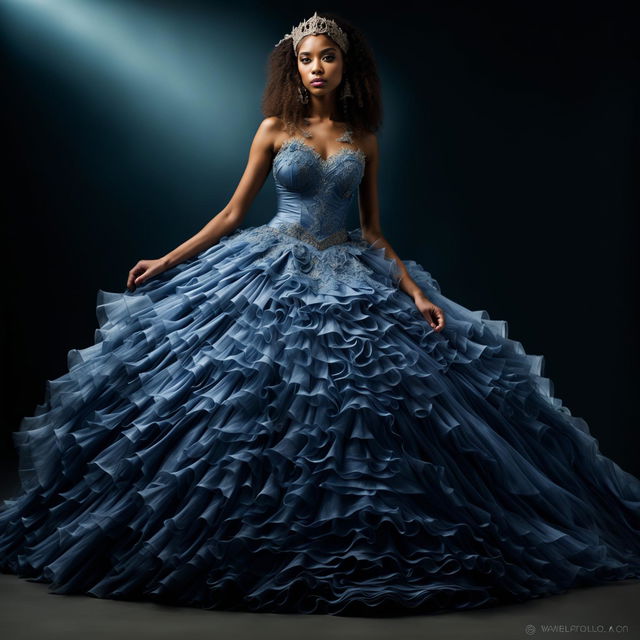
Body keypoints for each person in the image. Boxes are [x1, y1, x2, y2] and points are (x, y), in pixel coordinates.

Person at [1, 11, 639, 617]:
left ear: (344, 66)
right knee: (242, 406)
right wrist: (166, 261)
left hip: (351, 270)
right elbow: (230, 215)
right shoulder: (275, 129)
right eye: (305, 59)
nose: (315, 68)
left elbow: (375, 232)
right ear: (295, 67)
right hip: (272, 267)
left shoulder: (364, 139)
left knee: (364, 411)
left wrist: (415, 292)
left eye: (326, 57)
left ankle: (351, 535)